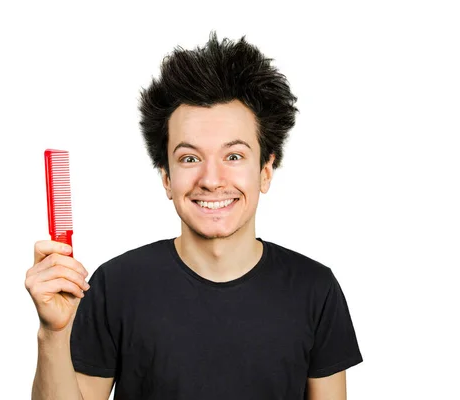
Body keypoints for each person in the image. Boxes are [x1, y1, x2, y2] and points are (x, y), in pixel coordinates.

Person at [26, 31, 363, 400]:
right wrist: (53, 335)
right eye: (190, 158)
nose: (212, 180)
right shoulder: (115, 286)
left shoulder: (315, 290)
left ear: (266, 170)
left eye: (233, 156)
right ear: (167, 178)